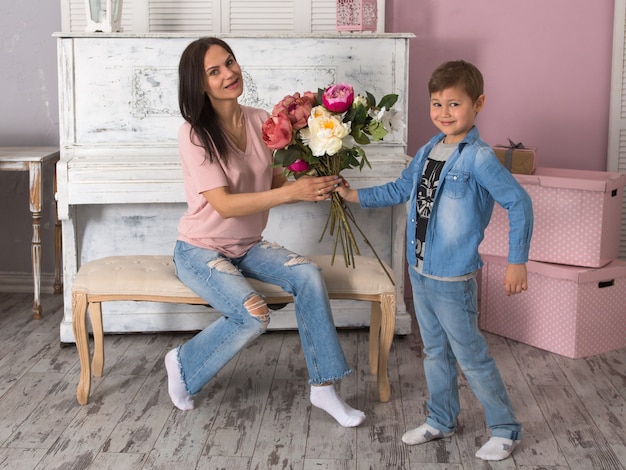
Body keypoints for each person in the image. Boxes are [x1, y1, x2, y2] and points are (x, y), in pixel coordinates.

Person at [335, 60, 533, 459]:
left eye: (454, 104)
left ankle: (505, 428)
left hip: (452, 277)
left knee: (471, 355)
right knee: (434, 351)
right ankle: (441, 420)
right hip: (419, 271)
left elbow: (519, 202)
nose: (444, 113)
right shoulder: (429, 149)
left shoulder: (477, 157)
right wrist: (353, 195)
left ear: (478, 104)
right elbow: (400, 189)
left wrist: (517, 260)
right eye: (436, 104)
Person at [165, 36, 366, 428]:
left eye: (230, 62)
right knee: (254, 316)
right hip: (200, 249)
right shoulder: (193, 134)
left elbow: (272, 186)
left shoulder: (262, 122)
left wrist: (312, 184)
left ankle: (324, 387)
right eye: (215, 70)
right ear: (200, 84)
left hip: (247, 246)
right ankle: (183, 363)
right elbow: (224, 204)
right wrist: (291, 190)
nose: (229, 72)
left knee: (308, 274)